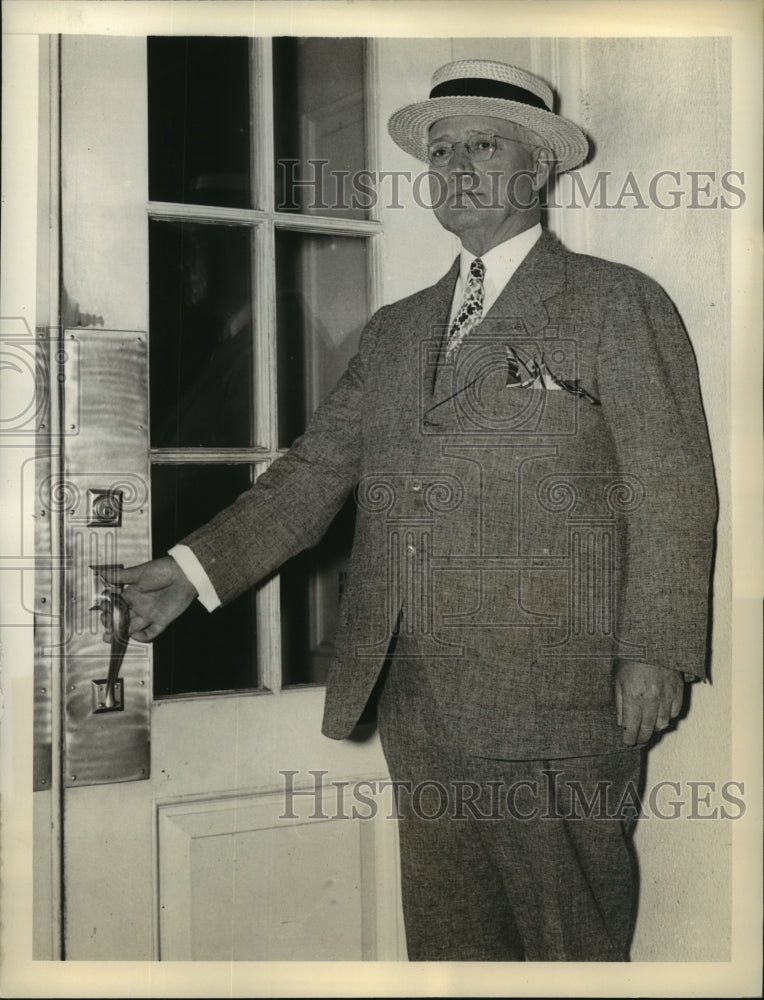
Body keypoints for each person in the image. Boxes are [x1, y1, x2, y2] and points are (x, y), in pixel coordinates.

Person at [102, 60, 717, 961]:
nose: (456, 167)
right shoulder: (396, 330)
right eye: (442, 151)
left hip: (560, 697)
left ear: (540, 167)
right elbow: (314, 472)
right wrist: (190, 571)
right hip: (418, 697)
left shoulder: (617, 303)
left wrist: (656, 651)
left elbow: (671, 487)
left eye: (484, 146)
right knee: (451, 949)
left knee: (568, 949)